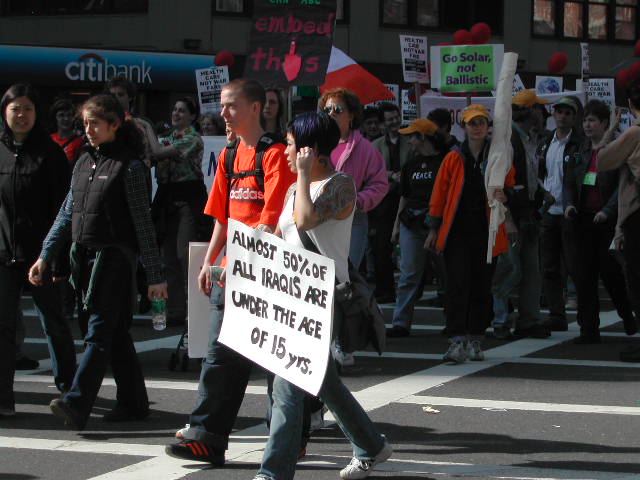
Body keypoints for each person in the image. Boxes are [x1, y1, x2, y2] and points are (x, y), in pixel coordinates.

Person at [254, 111, 393, 480]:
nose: (285, 151)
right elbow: (286, 237)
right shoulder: (293, 189)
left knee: (287, 387)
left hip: (322, 296)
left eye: (290, 144)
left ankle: (273, 473)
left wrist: (301, 175)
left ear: (310, 151)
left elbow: (305, 221)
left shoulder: (341, 184)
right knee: (322, 382)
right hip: (290, 294)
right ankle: (371, 445)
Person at [165, 78, 296, 465]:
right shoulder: (228, 154)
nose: (223, 113)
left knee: (277, 361)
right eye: (222, 106)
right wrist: (210, 260)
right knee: (219, 356)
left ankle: (290, 436)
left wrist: (238, 258)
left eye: (231, 106)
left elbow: (272, 222)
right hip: (230, 271)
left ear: (256, 108)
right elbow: (221, 214)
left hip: (267, 273)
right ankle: (206, 436)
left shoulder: (273, 155)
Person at [29, 94, 167, 430]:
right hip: (83, 257)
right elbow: (67, 212)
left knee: (99, 331)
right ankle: (134, 403)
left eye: (95, 123)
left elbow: (143, 224)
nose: (88, 129)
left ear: (114, 125)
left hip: (115, 257)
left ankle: (76, 404)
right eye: (86, 123)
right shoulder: (83, 160)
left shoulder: (131, 166)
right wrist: (46, 254)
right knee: (115, 332)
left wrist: (154, 276)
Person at [0, 84, 76, 417]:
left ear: (36, 114)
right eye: (15, 108)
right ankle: (3, 399)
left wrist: (55, 256)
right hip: (3, 254)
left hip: (41, 256)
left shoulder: (50, 153)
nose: (21, 115)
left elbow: (63, 209)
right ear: (5, 112)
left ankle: (71, 395)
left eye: (28, 109)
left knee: (54, 324)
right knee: (2, 329)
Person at [426, 105, 514, 363]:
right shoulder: (453, 158)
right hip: (457, 233)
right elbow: (439, 196)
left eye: (481, 122)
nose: (476, 127)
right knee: (456, 286)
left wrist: (506, 196)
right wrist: (433, 228)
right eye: (471, 123)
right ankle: (456, 341)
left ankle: (475, 339)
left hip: (488, 233)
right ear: (463, 127)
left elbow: (511, 186)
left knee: (482, 287)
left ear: (489, 127)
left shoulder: (498, 157)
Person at [319, 88, 388, 366]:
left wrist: (358, 201)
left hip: (351, 220)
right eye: (327, 109)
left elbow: (380, 184)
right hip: (318, 219)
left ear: (351, 115)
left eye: (338, 109)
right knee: (320, 279)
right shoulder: (315, 143)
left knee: (343, 279)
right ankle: (321, 338)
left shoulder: (365, 149)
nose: (332, 114)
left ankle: (343, 340)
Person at [565, 100, 637, 344]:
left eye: (592, 120)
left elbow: (623, 184)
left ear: (605, 123)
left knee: (611, 274)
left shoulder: (618, 145)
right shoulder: (579, 149)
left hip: (607, 221)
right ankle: (588, 329)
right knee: (583, 276)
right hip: (583, 220)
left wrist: (607, 211)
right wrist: (569, 204)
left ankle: (627, 315)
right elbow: (569, 181)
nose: (587, 125)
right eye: (585, 120)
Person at [491, 90, 550, 340]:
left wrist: (542, 191)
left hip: (527, 214)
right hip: (513, 215)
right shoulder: (508, 140)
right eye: (539, 109)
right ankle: (500, 321)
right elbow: (498, 184)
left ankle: (529, 320)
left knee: (529, 271)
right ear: (530, 112)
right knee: (509, 270)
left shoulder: (528, 138)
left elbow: (527, 177)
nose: (543, 114)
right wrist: (508, 219)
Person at [149, 97, 211, 326]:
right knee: (168, 257)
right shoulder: (165, 137)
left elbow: (158, 152)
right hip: (167, 198)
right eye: (174, 109)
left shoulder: (192, 138)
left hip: (189, 198)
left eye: (182, 111)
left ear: (192, 116)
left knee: (185, 254)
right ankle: (175, 310)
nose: (176, 114)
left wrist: (145, 129)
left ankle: (194, 307)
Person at [386, 119, 446, 337]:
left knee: (446, 275)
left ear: (423, 138)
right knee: (408, 275)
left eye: (412, 135)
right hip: (410, 224)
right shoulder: (410, 164)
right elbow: (404, 197)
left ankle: (454, 322)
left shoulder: (446, 161)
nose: (409, 140)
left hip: (438, 225)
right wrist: (396, 227)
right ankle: (400, 323)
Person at [598, 78, 640, 361]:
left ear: (630, 104)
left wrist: (612, 129)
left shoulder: (635, 132)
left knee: (637, 280)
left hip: (638, 214)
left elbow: (601, 160)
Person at [536, 96, 583, 331]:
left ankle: (586, 316)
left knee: (576, 265)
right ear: (553, 115)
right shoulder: (546, 141)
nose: (562, 116)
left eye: (567, 112)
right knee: (550, 266)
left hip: (570, 213)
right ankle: (557, 314)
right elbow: (539, 173)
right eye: (559, 112)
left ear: (574, 117)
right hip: (549, 212)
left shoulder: (580, 143)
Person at [371, 102, 410, 304]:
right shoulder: (375, 145)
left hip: (407, 198)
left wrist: (400, 176)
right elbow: (372, 172)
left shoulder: (409, 142)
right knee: (382, 247)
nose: (395, 122)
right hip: (384, 201)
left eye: (396, 117)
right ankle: (384, 289)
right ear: (382, 124)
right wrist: (391, 175)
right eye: (390, 119)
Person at [49, 98, 84, 166]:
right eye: (61, 115)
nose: (66, 119)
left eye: (69, 115)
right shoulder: (49, 139)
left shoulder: (79, 142)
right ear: (55, 117)